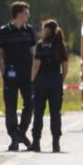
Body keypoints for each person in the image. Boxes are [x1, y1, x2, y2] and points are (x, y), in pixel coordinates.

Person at [0, 1, 37, 151]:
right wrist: (2, 70)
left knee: (30, 104)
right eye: (26, 12)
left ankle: (21, 132)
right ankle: (14, 138)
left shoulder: (29, 31)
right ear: (19, 13)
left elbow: (34, 53)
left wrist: (35, 72)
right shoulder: (4, 31)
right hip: (11, 73)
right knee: (11, 106)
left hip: (27, 73)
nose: (28, 15)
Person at [29, 19, 69, 153]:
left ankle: (36, 142)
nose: (41, 31)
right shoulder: (60, 45)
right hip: (55, 81)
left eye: (43, 29)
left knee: (38, 112)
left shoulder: (41, 45)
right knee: (55, 113)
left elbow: (36, 65)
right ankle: (55, 143)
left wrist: (32, 80)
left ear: (48, 30)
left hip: (41, 81)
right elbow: (65, 67)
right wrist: (60, 80)